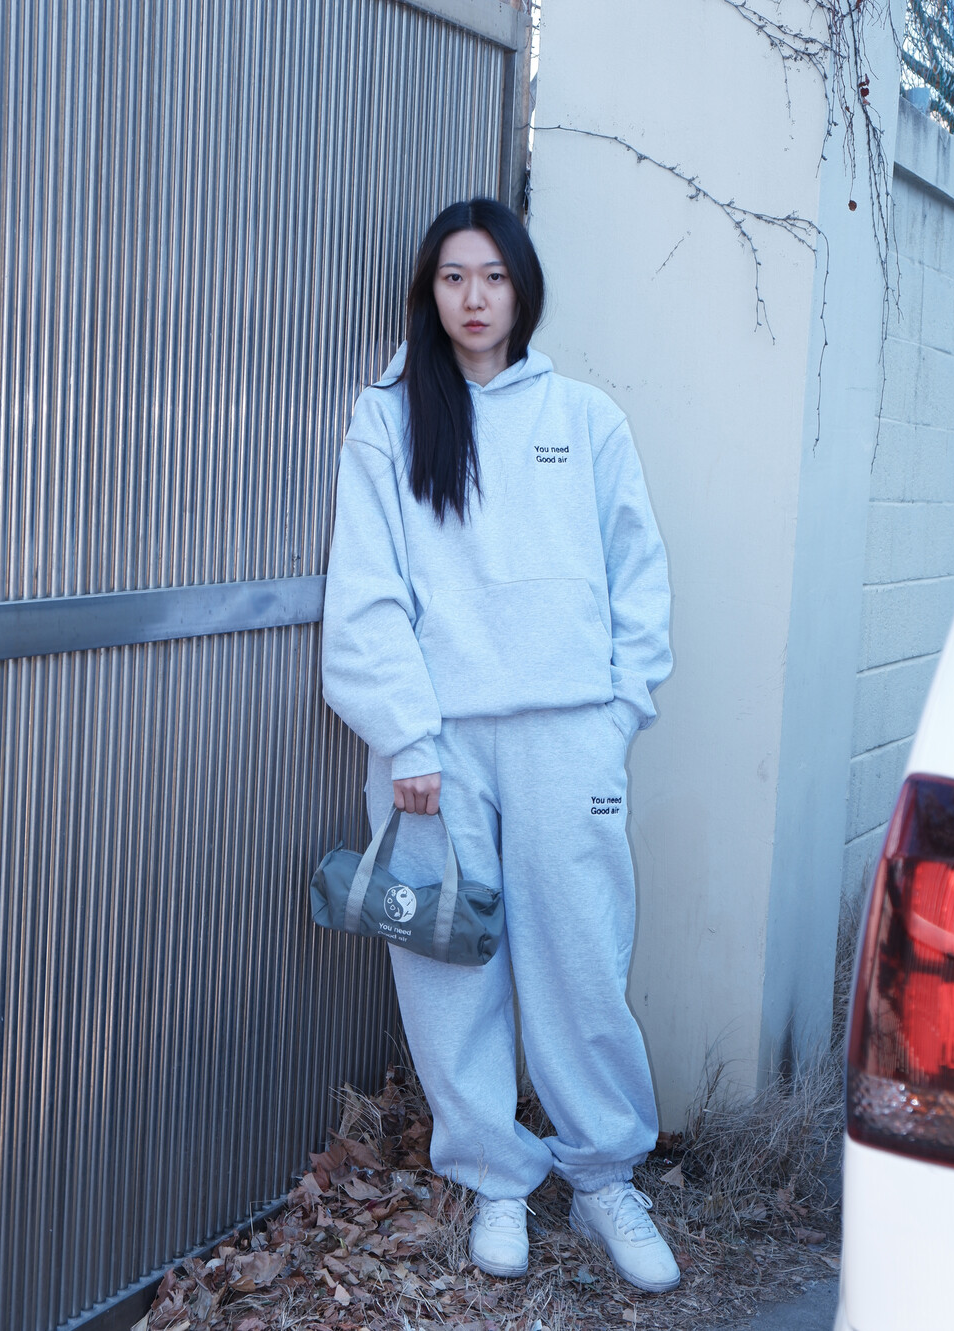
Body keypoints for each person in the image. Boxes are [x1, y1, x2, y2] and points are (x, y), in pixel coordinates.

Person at [321, 198, 679, 1293]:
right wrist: (406, 735)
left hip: (569, 733)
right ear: (428, 293)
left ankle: (604, 1171)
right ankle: (494, 1176)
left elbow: (638, 577)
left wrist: (618, 715)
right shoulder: (389, 420)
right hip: (436, 749)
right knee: (448, 967)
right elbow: (367, 592)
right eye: (452, 278)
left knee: (582, 955)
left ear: (523, 287)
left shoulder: (587, 417)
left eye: (493, 277)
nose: (473, 298)